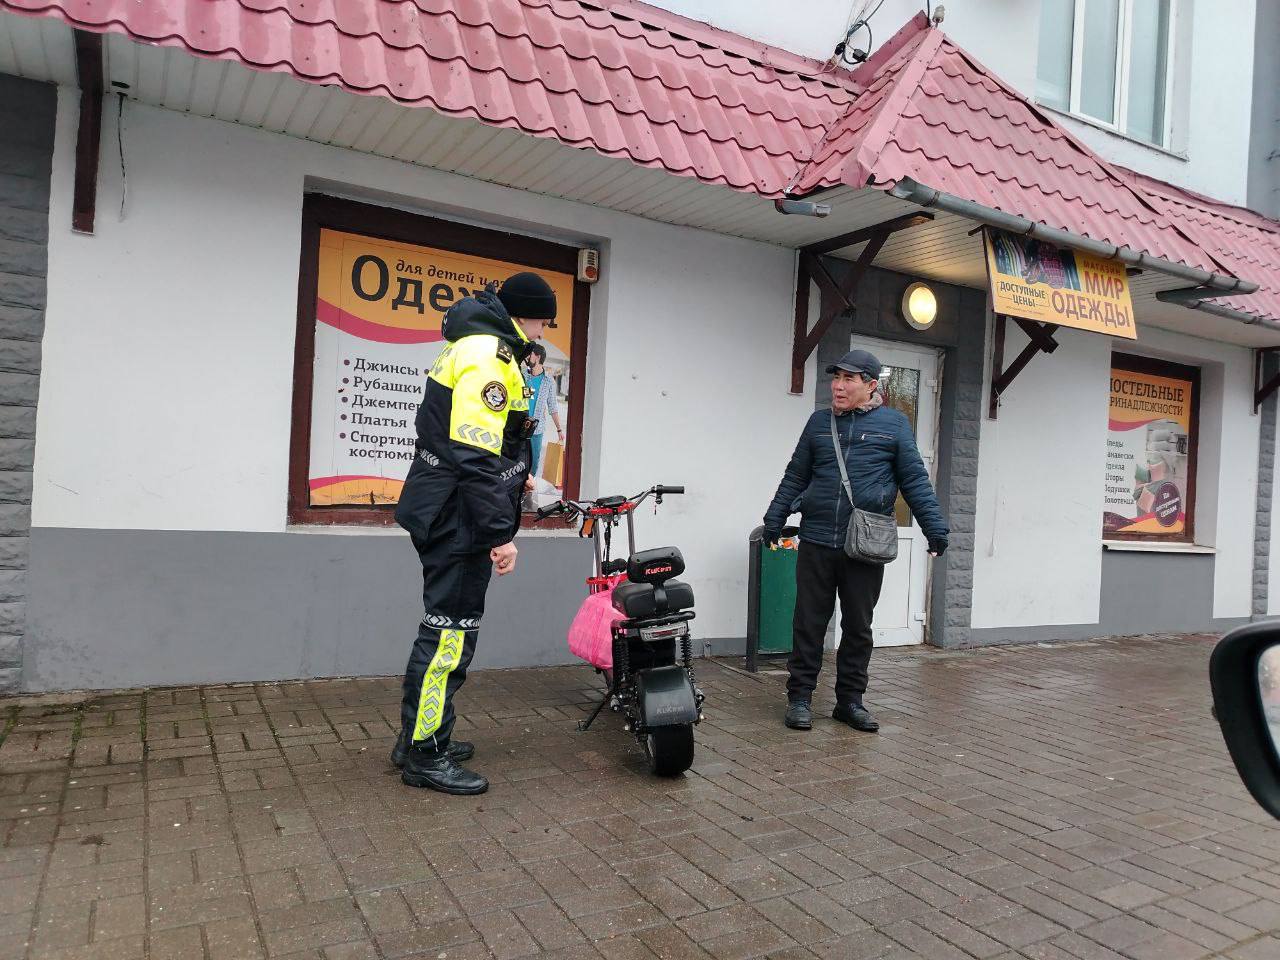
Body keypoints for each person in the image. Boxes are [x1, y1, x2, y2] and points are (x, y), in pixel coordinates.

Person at [390, 271, 556, 795]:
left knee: (443, 629)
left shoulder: (475, 343)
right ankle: (425, 754)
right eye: (541, 319)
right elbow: (474, 457)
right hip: (458, 515)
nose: (542, 330)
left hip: (445, 505)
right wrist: (499, 536)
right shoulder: (490, 354)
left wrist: (520, 473)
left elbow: (476, 442)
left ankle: (420, 735)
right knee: (448, 636)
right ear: (524, 314)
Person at [763, 348, 948, 734]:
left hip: (863, 544)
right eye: (836, 378)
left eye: (849, 379)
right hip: (816, 538)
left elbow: (914, 480)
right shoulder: (818, 424)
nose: (838, 386)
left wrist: (935, 529)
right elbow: (795, 476)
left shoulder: (894, 425)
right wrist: (774, 518)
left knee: (859, 626)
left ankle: (850, 701)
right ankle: (799, 698)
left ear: (870, 385)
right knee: (808, 623)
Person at [523, 343, 564, 479]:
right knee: (517, 460)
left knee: (534, 464)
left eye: (531, 354)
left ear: (538, 357)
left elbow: (552, 406)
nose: (528, 357)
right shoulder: (523, 375)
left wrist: (559, 430)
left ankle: (527, 487)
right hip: (520, 426)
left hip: (537, 429)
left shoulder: (548, 381)